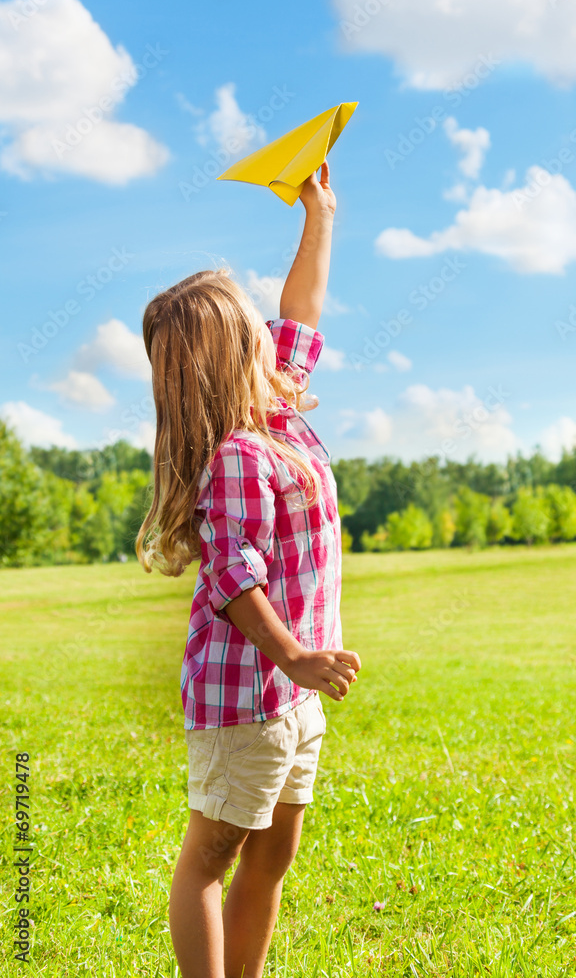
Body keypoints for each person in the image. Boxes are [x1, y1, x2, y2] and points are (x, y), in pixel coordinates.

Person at [136, 161, 361, 978]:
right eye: (254, 326)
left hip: (292, 695)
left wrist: (320, 214)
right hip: (248, 693)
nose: (275, 328)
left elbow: (302, 310)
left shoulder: (280, 411)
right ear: (235, 354)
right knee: (210, 858)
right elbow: (232, 574)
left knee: (271, 860)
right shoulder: (237, 453)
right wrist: (295, 653)